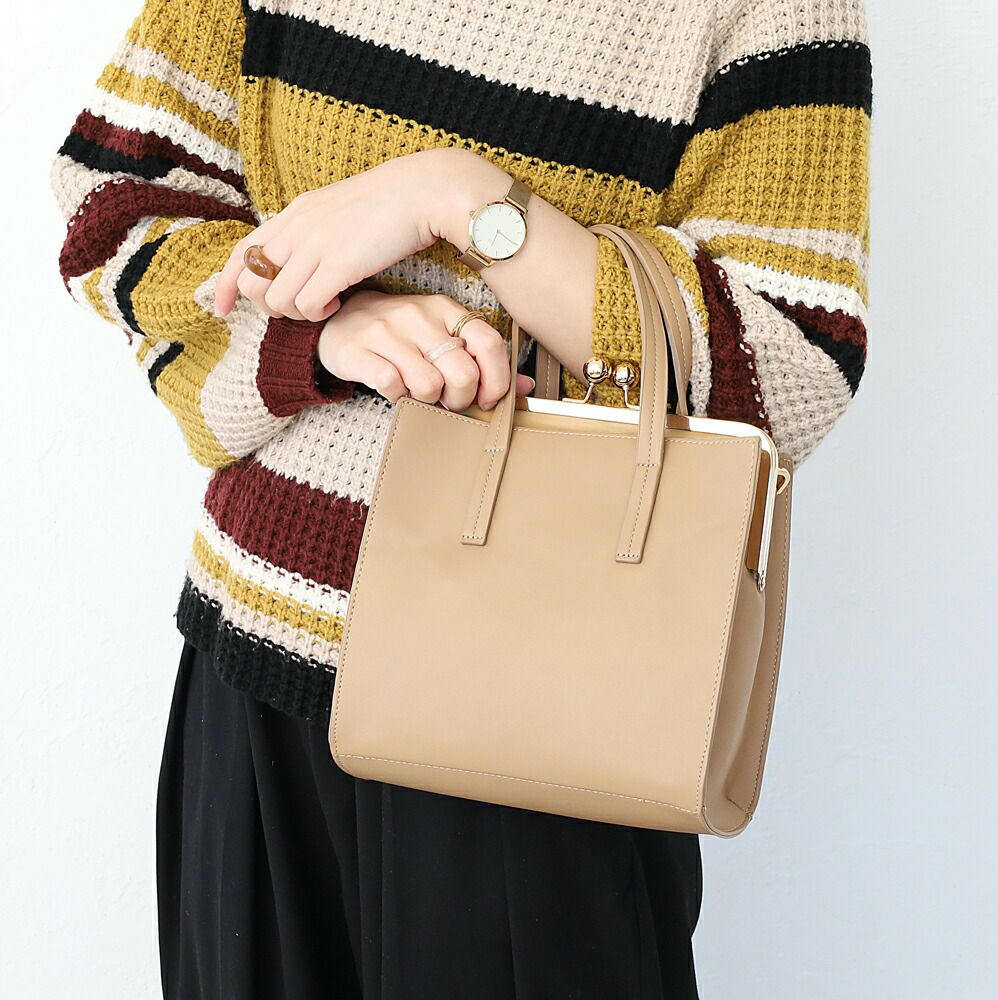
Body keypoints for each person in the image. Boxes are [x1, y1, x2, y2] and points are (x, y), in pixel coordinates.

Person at [50, 0, 872, 996]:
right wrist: (323, 332)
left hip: (541, 719)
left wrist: (462, 201)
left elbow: (789, 365)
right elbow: (116, 201)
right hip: (255, 673)